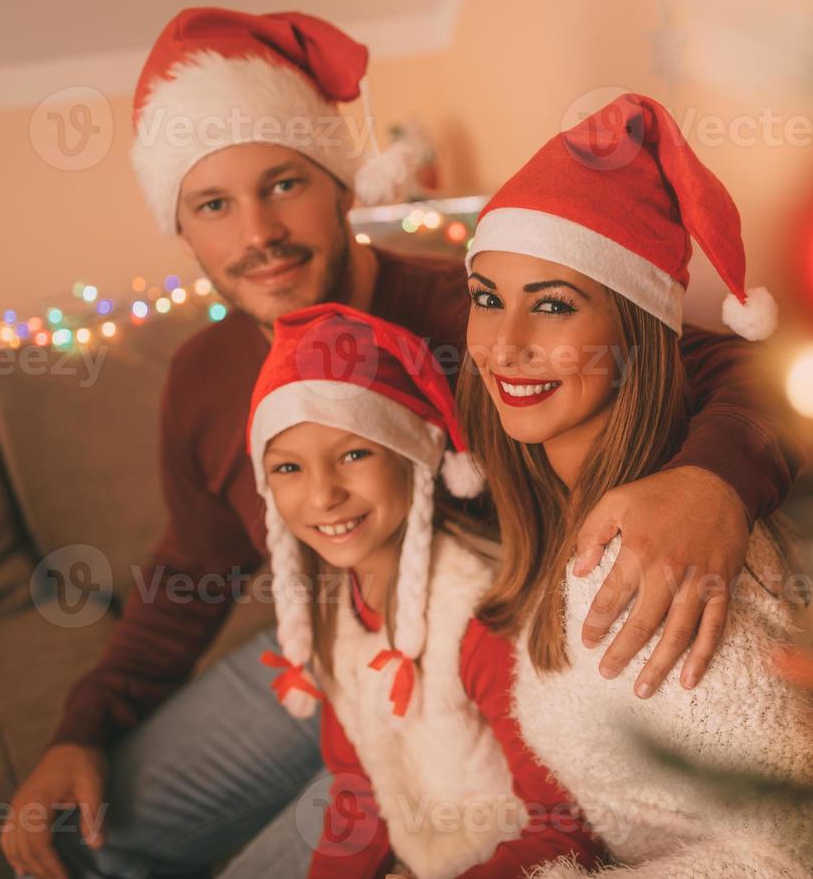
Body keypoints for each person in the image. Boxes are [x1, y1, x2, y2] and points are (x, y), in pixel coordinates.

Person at [1, 8, 801, 879]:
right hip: (326, 660)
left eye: (282, 183)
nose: (258, 233)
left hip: (482, 674)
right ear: (182, 227)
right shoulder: (201, 376)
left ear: (341, 180)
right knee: (81, 843)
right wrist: (82, 726)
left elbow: (731, 367)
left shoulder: (483, 317)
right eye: (213, 205)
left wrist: (712, 480)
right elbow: (188, 569)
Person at [457, 93, 813, 876]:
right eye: (487, 299)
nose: (505, 345)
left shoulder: (665, 555)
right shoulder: (563, 523)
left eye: (554, 307)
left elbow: (802, 848)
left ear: (634, 336)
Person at [247, 301, 606, 878]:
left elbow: (569, 830)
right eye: (289, 468)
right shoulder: (336, 615)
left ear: (413, 457)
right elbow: (360, 786)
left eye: (354, 454)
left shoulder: (480, 621)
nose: (322, 496)